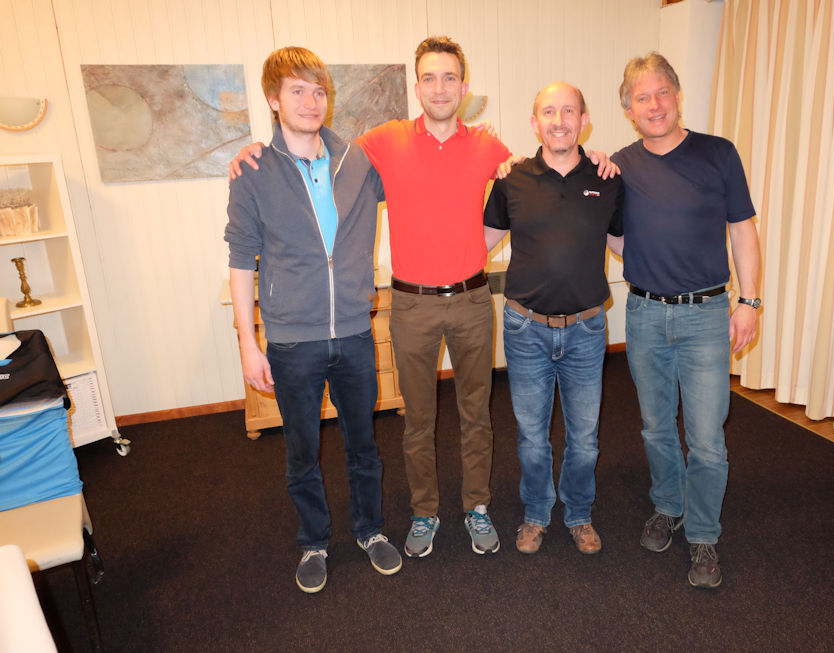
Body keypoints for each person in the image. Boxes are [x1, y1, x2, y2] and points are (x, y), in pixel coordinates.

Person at [232, 36, 511, 557]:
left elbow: (533, 182)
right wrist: (254, 149)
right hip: (410, 304)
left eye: (450, 77)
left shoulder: (488, 146)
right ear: (416, 87)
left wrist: (593, 159)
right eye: (429, 78)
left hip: (473, 301)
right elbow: (304, 152)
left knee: (477, 414)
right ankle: (424, 513)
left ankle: (477, 506)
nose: (440, 87)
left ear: (464, 86)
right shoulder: (381, 143)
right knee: (418, 420)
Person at [225, 46, 401, 594]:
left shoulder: (358, 162)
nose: (310, 101)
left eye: (318, 91)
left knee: (363, 445)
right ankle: (314, 541)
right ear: (274, 100)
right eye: (297, 91)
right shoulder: (253, 170)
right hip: (290, 341)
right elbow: (240, 259)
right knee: (301, 451)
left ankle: (370, 530)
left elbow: (422, 173)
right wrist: (249, 343)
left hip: (353, 332)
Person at [607, 52, 761, 589]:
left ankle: (703, 534)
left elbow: (742, 229)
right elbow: (611, 231)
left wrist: (750, 302)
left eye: (662, 93)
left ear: (677, 95)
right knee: (655, 427)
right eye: (642, 98)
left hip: (706, 316)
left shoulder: (718, 153)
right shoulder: (619, 165)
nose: (654, 105)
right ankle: (667, 506)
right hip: (645, 314)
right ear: (628, 109)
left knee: (707, 438)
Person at [484, 82, 623, 555]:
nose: (559, 120)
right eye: (548, 111)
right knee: (531, 436)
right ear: (534, 122)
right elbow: (479, 241)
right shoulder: (512, 179)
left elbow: (624, 244)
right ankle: (536, 513)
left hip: (586, 328)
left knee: (585, 437)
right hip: (525, 328)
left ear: (584, 120)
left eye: (568, 111)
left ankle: (579, 514)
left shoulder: (607, 177)